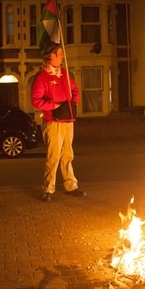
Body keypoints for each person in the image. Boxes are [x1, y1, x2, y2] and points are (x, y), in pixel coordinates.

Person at [31, 40, 84, 202]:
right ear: (51, 56)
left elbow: (75, 90)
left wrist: (74, 102)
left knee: (68, 154)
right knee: (53, 156)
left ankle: (71, 186)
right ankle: (48, 188)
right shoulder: (42, 77)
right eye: (59, 53)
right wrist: (53, 106)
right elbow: (36, 101)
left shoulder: (65, 74)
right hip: (53, 122)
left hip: (68, 120)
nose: (62, 56)